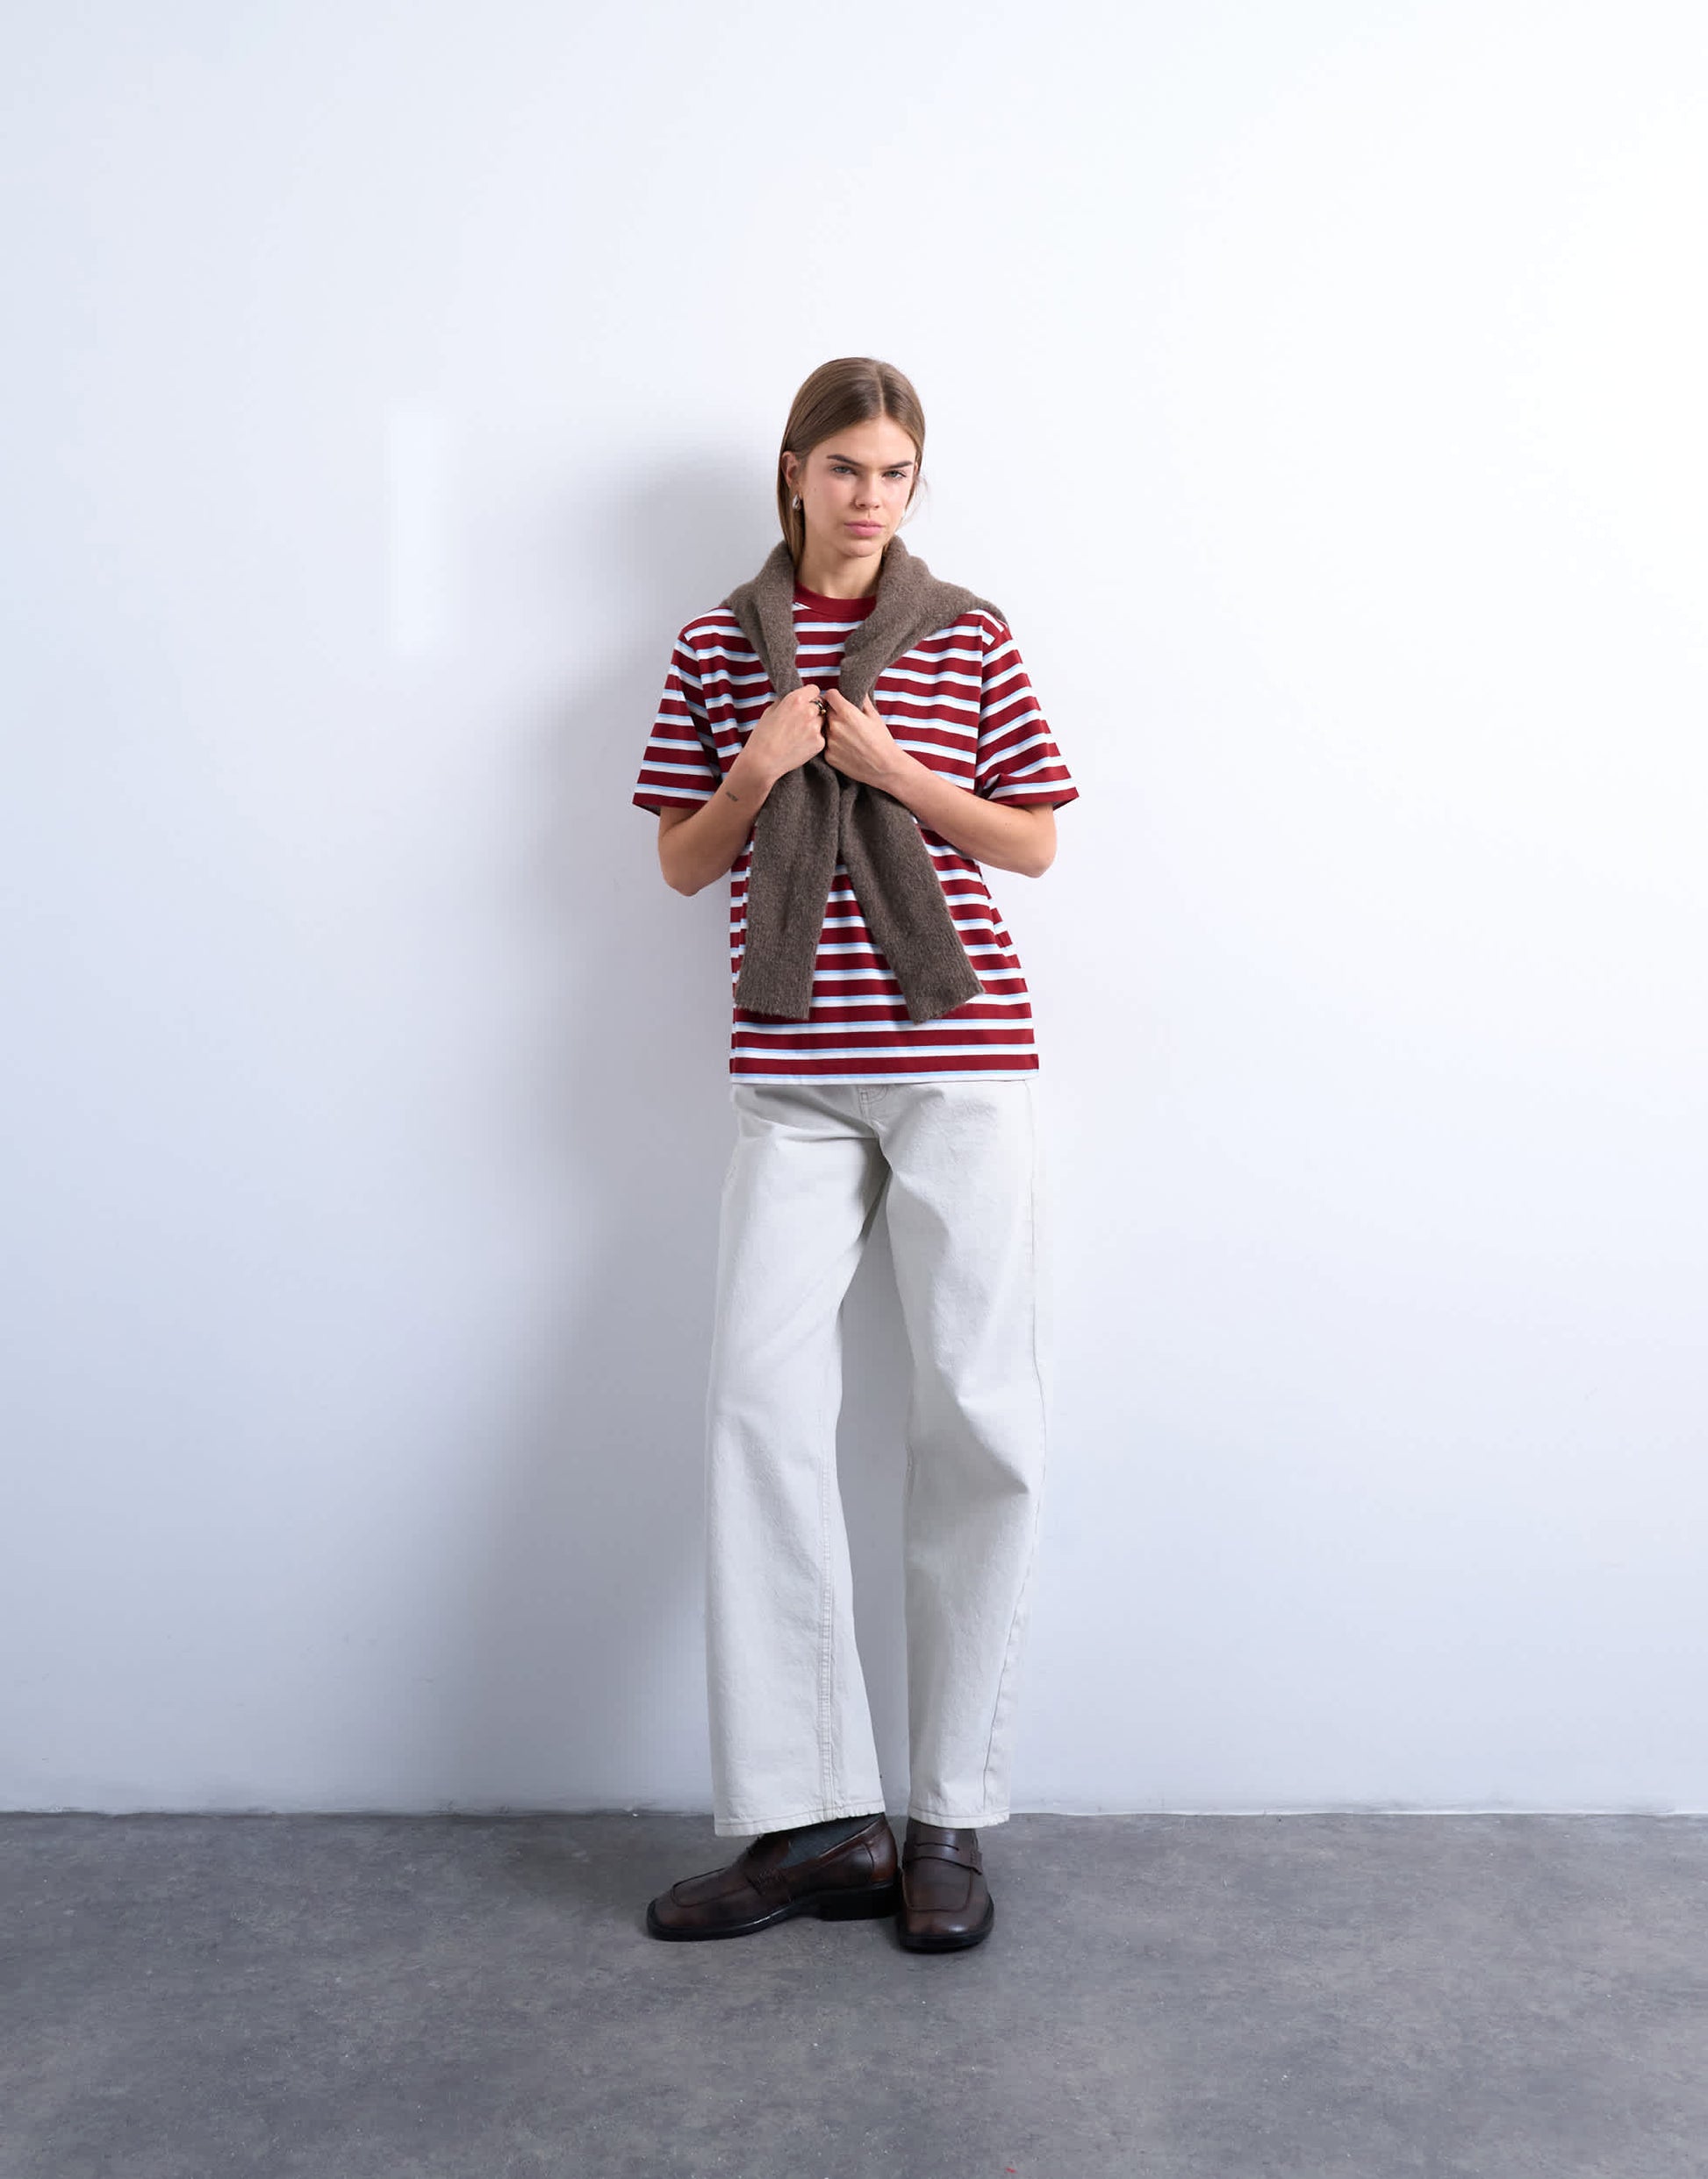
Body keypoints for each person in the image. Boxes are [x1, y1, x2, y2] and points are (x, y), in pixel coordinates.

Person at [631, 357, 1079, 1951]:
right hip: (792, 1073)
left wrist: (892, 771)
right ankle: (818, 1820)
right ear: (793, 473)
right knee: (756, 1407)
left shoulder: (966, 634)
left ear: (912, 483)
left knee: (978, 1413)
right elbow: (683, 861)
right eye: (843, 468)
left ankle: (949, 1812)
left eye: (893, 471)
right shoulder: (712, 646)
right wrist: (759, 770)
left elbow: (1033, 838)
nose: (869, 496)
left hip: (959, 1060)